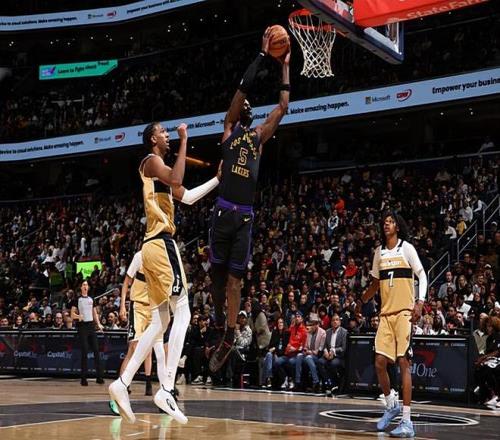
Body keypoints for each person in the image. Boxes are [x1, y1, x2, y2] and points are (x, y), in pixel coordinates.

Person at [108, 122, 220, 424]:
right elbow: (177, 177)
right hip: (160, 243)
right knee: (183, 310)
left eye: (170, 133)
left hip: (153, 247)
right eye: (163, 132)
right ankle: (167, 389)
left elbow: (188, 195)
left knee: (161, 321)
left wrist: (217, 179)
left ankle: (122, 383)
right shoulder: (151, 161)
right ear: (152, 139)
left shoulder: (161, 176)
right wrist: (185, 141)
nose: (167, 134)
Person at [209, 28, 291, 373]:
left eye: (247, 105)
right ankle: (219, 321)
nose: (244, 103)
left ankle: (229, 335)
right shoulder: (228, 128)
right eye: (241, 103)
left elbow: (283, 106)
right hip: (222, 212)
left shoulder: (258, 136)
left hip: (243, 215)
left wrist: (284, 66)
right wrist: (261, 55)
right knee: (216, 278)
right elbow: (242, 88)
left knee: (235, 281)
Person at [362, 212, 427, 438]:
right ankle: (391, 404)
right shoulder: (378, 253)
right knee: (380, 362)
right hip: (386, 315)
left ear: (397, 226)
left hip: (404, 313)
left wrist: (420, 302)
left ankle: (407, 422)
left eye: (390, 222)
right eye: (384, 222)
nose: (386, 224)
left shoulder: (406, 248)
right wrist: (362, 299)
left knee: (403, 363)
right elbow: (375, 284)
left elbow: (422, 275)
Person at [70, 280, 104, 386]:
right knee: (84, 351)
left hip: (91, 326)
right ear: (81, 287)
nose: (85, 286)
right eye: (83, 285)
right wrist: (78, 316)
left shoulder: (91, 299)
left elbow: (94, 313)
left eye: (86, 285)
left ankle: (99, 377)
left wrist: (99, 324)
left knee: (96, 350)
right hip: (82, 326)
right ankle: (83, 378)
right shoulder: (77, 299)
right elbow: (72, 314)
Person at [318, 313, 347, 394]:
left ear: (340, 322)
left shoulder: (344, 332)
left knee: (333, 363)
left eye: (337, 320)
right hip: (328, 355)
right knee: (320, 362)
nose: (335, 322)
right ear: (331, 322)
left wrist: (333, 351)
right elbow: (324, 345)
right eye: (333, 320)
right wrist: (325, 351)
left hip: (338, 356)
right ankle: (329, 383)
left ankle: (335, 384)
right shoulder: (327, 331)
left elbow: (343, 348)